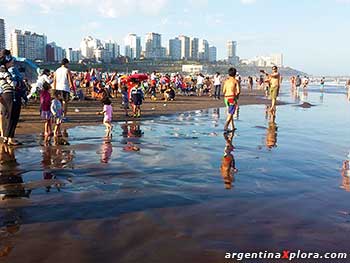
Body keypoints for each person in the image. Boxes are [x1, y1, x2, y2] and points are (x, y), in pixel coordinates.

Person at [0, 49, 22, 146]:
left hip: (4, 95)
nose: (13, 61)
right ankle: (10, 138)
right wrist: (19, 82)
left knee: (6, 116)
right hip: (10, 95)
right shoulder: (5, 71)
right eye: (11, 59)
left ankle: (6, 137)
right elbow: (12, 84)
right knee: (12, 117)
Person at [222, 67, 240, 131]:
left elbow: (223, 91)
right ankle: (226, 126)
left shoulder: (226, 81)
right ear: (235, 74)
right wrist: (236, 97)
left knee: (229, 112)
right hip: (231, 97)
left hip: (226, 98)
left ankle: (232, 126)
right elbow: (238, 91)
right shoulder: (235, 81)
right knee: (231, 113)